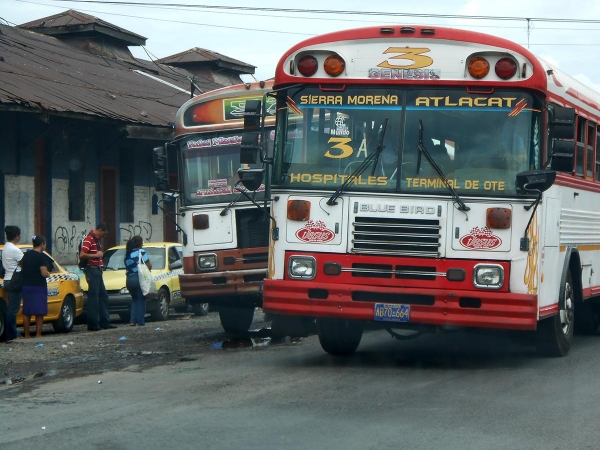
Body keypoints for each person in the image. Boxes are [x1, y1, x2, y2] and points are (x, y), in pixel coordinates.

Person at [80, 222, 116, 331]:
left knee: (103, 296)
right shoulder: (89, 239)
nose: (104, 236)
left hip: (98, 271)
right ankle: (93, 324)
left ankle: (105, 322)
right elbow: (82, 254)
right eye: (104, 234)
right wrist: (96, 255)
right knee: (93, 298)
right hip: (92, 270)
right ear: (100, 230)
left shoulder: (96, 240)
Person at [20, 235, 50, 338]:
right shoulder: (41, 256)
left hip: (26, 286)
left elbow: (21, 267)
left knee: (27, 311)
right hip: (38, 287)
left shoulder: (26, 255)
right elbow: (43, 273)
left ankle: (27, 334)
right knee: (39, 312)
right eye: (45, 244)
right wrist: (48, 274)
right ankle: (38, 334)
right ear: (42, 244)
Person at [124, 235, 152, 326]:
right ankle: (141, 322)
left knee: (135, 299)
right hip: (139, 278)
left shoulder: (128, 253)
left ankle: (132, 321)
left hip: (129, 280)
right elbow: (148, 265)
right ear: (140, 243)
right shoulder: (141, 252)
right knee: (141, 300)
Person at [3, 225, 23, 342]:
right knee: (13, 309)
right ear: (16, 236)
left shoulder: (6, 247)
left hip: (7, 279)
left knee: (11, 307)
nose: (20, 237)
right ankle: (12, 333)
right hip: (14, 281)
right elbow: (24, 263)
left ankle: (11, 332)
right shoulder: (15, 250)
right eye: (19, 235)